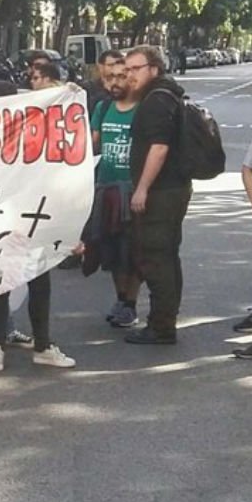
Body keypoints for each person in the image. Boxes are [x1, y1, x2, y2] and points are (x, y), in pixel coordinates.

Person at [0, 79, 76, 371]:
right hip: (31, 216)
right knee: (38, 281)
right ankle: (42, 345)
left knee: (0, 283)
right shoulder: (30, 132)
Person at [122, 45, 191, 345]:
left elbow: (159, 147)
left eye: (135, 69)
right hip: (172, 189)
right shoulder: (168, 95)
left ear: (154, 68)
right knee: (167, 256)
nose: (129, 76)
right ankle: (165, 320)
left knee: (156, 257)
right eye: (127, 70)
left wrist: (142, 188)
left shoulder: (156, 100)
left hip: (161, 193)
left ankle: (161, 326)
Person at [84, 55, 142, 330]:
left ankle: (131, 304)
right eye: (111, 77)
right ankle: (121, 299)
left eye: (121, 77)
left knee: (133, 253)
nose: (115, 82)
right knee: (113, 253)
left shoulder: (143, 109)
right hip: (106, 190)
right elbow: (91, 145)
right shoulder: (104, 107)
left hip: (132, 191)